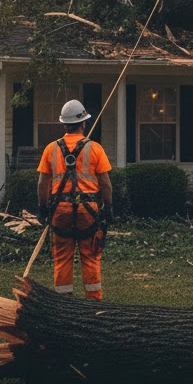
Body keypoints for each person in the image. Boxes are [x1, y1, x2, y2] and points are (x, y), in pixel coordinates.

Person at [37, 100, 114, 299]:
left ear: (64, 125)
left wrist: (43, 208)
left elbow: (42, 184)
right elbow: (105, 183)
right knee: (90, 257)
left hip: (59, 211)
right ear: (84, 123)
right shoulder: (95, 148)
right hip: (88, 211)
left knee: (62, 258)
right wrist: (109, 207)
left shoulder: (50, 149)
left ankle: (64, 302)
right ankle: (93, 303)